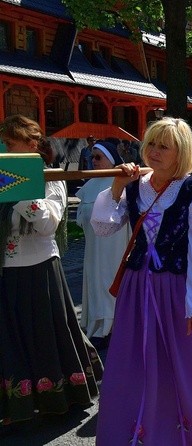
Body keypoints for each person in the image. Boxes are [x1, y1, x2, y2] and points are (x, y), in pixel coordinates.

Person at [92, 117, 192, 445]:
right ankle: (132, 434)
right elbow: (103, 228)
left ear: (182, 153)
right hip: (137, 290)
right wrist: (117, 187)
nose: (154, 151)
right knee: (132, 367)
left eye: (165, 146)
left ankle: (175, 437)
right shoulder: (133, 187)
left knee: (175, 369)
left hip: (175, 292)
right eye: (151, 144)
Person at [0, 115, 103, 425]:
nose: (3, 149)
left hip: (40, 269)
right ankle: (18, 404)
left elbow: (48, 224)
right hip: (8, 271)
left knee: (45, 335)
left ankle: (58, 398)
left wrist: (17, 190)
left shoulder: (51, 177)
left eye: (9, 144)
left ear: (31, 145)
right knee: (12, 339)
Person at [75, 141, 130, 348]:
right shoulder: (91, 184)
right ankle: (96, 324)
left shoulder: (122, 183)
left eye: (98, 157)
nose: (93, 161)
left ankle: (111, 327)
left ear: (111, 159)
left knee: (110, 281)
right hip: (93, 247)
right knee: (95, 281)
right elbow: (81, 217)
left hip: (114, 246)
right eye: (92, 157)